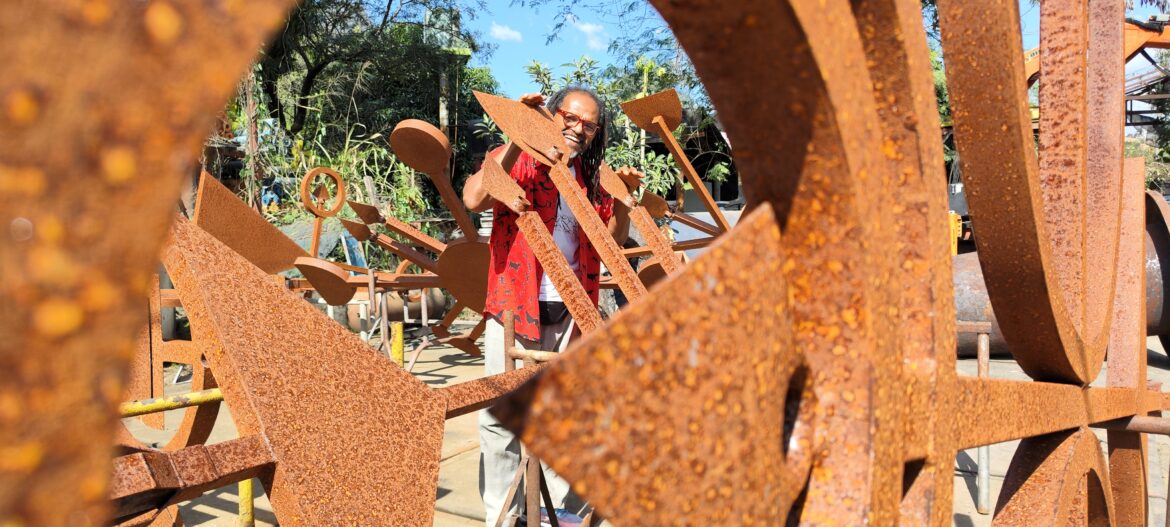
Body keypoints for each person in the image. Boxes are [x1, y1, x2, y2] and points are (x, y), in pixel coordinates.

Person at [462, 86, 640, 525]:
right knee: (500, 418)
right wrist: (516, 135)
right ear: (552, 115)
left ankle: (564, 516)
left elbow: (610, 239)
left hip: (573, 312)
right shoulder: (515, 157)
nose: (577, 128)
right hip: (514, 307)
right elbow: (473, 198)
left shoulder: (590, 177)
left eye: (589, 123)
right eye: (569, 117)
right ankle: (503, 519)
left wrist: (623, 199)